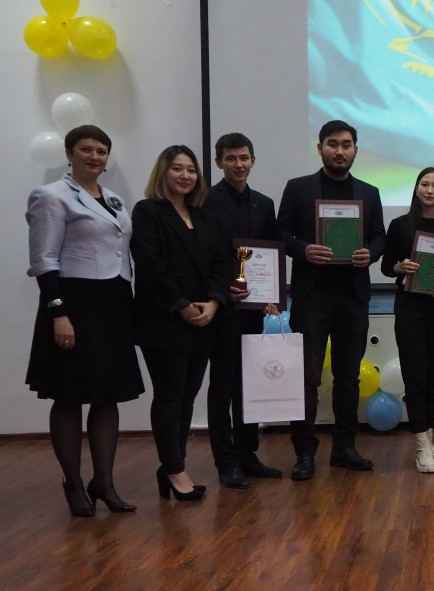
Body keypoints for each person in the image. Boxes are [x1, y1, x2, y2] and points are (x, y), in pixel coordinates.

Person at [26, 125, 144, 516]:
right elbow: (44, 260)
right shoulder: (51, 196)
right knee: (69, 394)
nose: (94, 156)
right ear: (69, 153)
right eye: (86, 149)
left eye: (101, 151)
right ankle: (73, 483)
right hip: (73, 304)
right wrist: (58, 312)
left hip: (113, 304)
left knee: (107, 394)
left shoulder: (114, 199)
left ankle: (104, 482)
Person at [277, 120, 386, 481]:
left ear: (356, 149)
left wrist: (370, 253)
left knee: (348, 379)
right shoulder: (298, 188)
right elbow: (280, 233)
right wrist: (303, 249)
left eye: (347, 144)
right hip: (312, 296)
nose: (340, 151)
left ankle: (345, 448)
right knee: (306, 379)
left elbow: (379, 236)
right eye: (333, 144)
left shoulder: (369, 192)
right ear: (320, 147)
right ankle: (304, 452)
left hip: (352, 297)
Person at [131, 145, 228, 501]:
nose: (185, 175)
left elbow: (221, 263)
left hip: (203, 318)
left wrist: (214, 302)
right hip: (164, 319)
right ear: (163, 172)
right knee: (170, 395)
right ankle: (175, 469)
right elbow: (150, 266)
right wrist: (182, 305)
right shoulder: (147, 211)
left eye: (191, 169)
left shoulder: (203, 216)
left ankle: (173, 465)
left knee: (188, 396)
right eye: (177, 168)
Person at [203, 132, 283, 488]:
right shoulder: (204, 201)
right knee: (223, 385)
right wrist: (222, 290)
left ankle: (248, 453)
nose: (239, 164)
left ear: (253, 160)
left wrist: (272, 293)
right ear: (218, 162)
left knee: (250, 383)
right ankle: (226, 461)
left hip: (253, 308)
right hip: (221, 307)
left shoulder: (264, 204)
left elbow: (270, 251)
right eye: (231, 158)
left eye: (244, 158)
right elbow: (202, 255)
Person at [381, 167, 434, 473]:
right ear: (416, 189)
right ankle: (421, 446)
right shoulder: (400, 225)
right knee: (415, 375)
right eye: (424, 184)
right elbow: (386, 266)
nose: (429, 190)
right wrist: (400, 267)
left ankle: (429, 438)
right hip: (410, 306)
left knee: (433, 377)